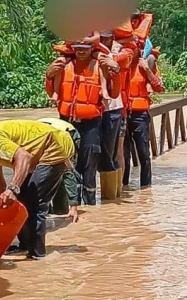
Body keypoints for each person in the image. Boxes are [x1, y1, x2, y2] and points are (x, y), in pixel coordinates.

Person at [0, 120, 78, 260]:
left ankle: (37, 255)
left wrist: (12, 188)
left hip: (56, 145)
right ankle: (25, 245)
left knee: (34, 203)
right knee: (19, 202)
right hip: (37, 152)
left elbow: (24, 157)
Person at [45, 41, 119, 206]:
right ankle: (72, 204)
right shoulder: (64, 66)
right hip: (67, 122)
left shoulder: (100, 66)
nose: (81, 51)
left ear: (92, 48)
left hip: (91, 123)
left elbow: (114, 93)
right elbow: (50, 92)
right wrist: (48, 76)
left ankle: (91, 206)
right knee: (68, 163)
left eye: (85, 48)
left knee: (89, 163)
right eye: (78, 48)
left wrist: (115, 70)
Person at [98, 24, 135, 200]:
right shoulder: (90, 52)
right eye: (101, 38)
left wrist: (111, 58)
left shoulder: (123, 52)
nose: (103, 41)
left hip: (116, 108)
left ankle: (116, 192)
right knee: (94, 153)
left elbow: (124, 59)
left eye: (107, 37)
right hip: (96, 110)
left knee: (116, 151)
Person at [123, 46, 163, 188]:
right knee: (124, 154)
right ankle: (124, 186)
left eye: (132, 49)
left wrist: (147, 70)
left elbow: (159, 88)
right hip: (122, 113)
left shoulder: (147, 64)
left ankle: (146, 188)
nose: (129, 52)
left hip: (140, 114)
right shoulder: (120, 64)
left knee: (143, 152)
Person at [38, 117, 83, 218]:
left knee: (62, 171)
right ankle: (47, 209)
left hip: (68, 133)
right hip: (47, 131)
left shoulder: (60, 143)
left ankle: (62, 210)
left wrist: (73, 205)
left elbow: (68, 173)